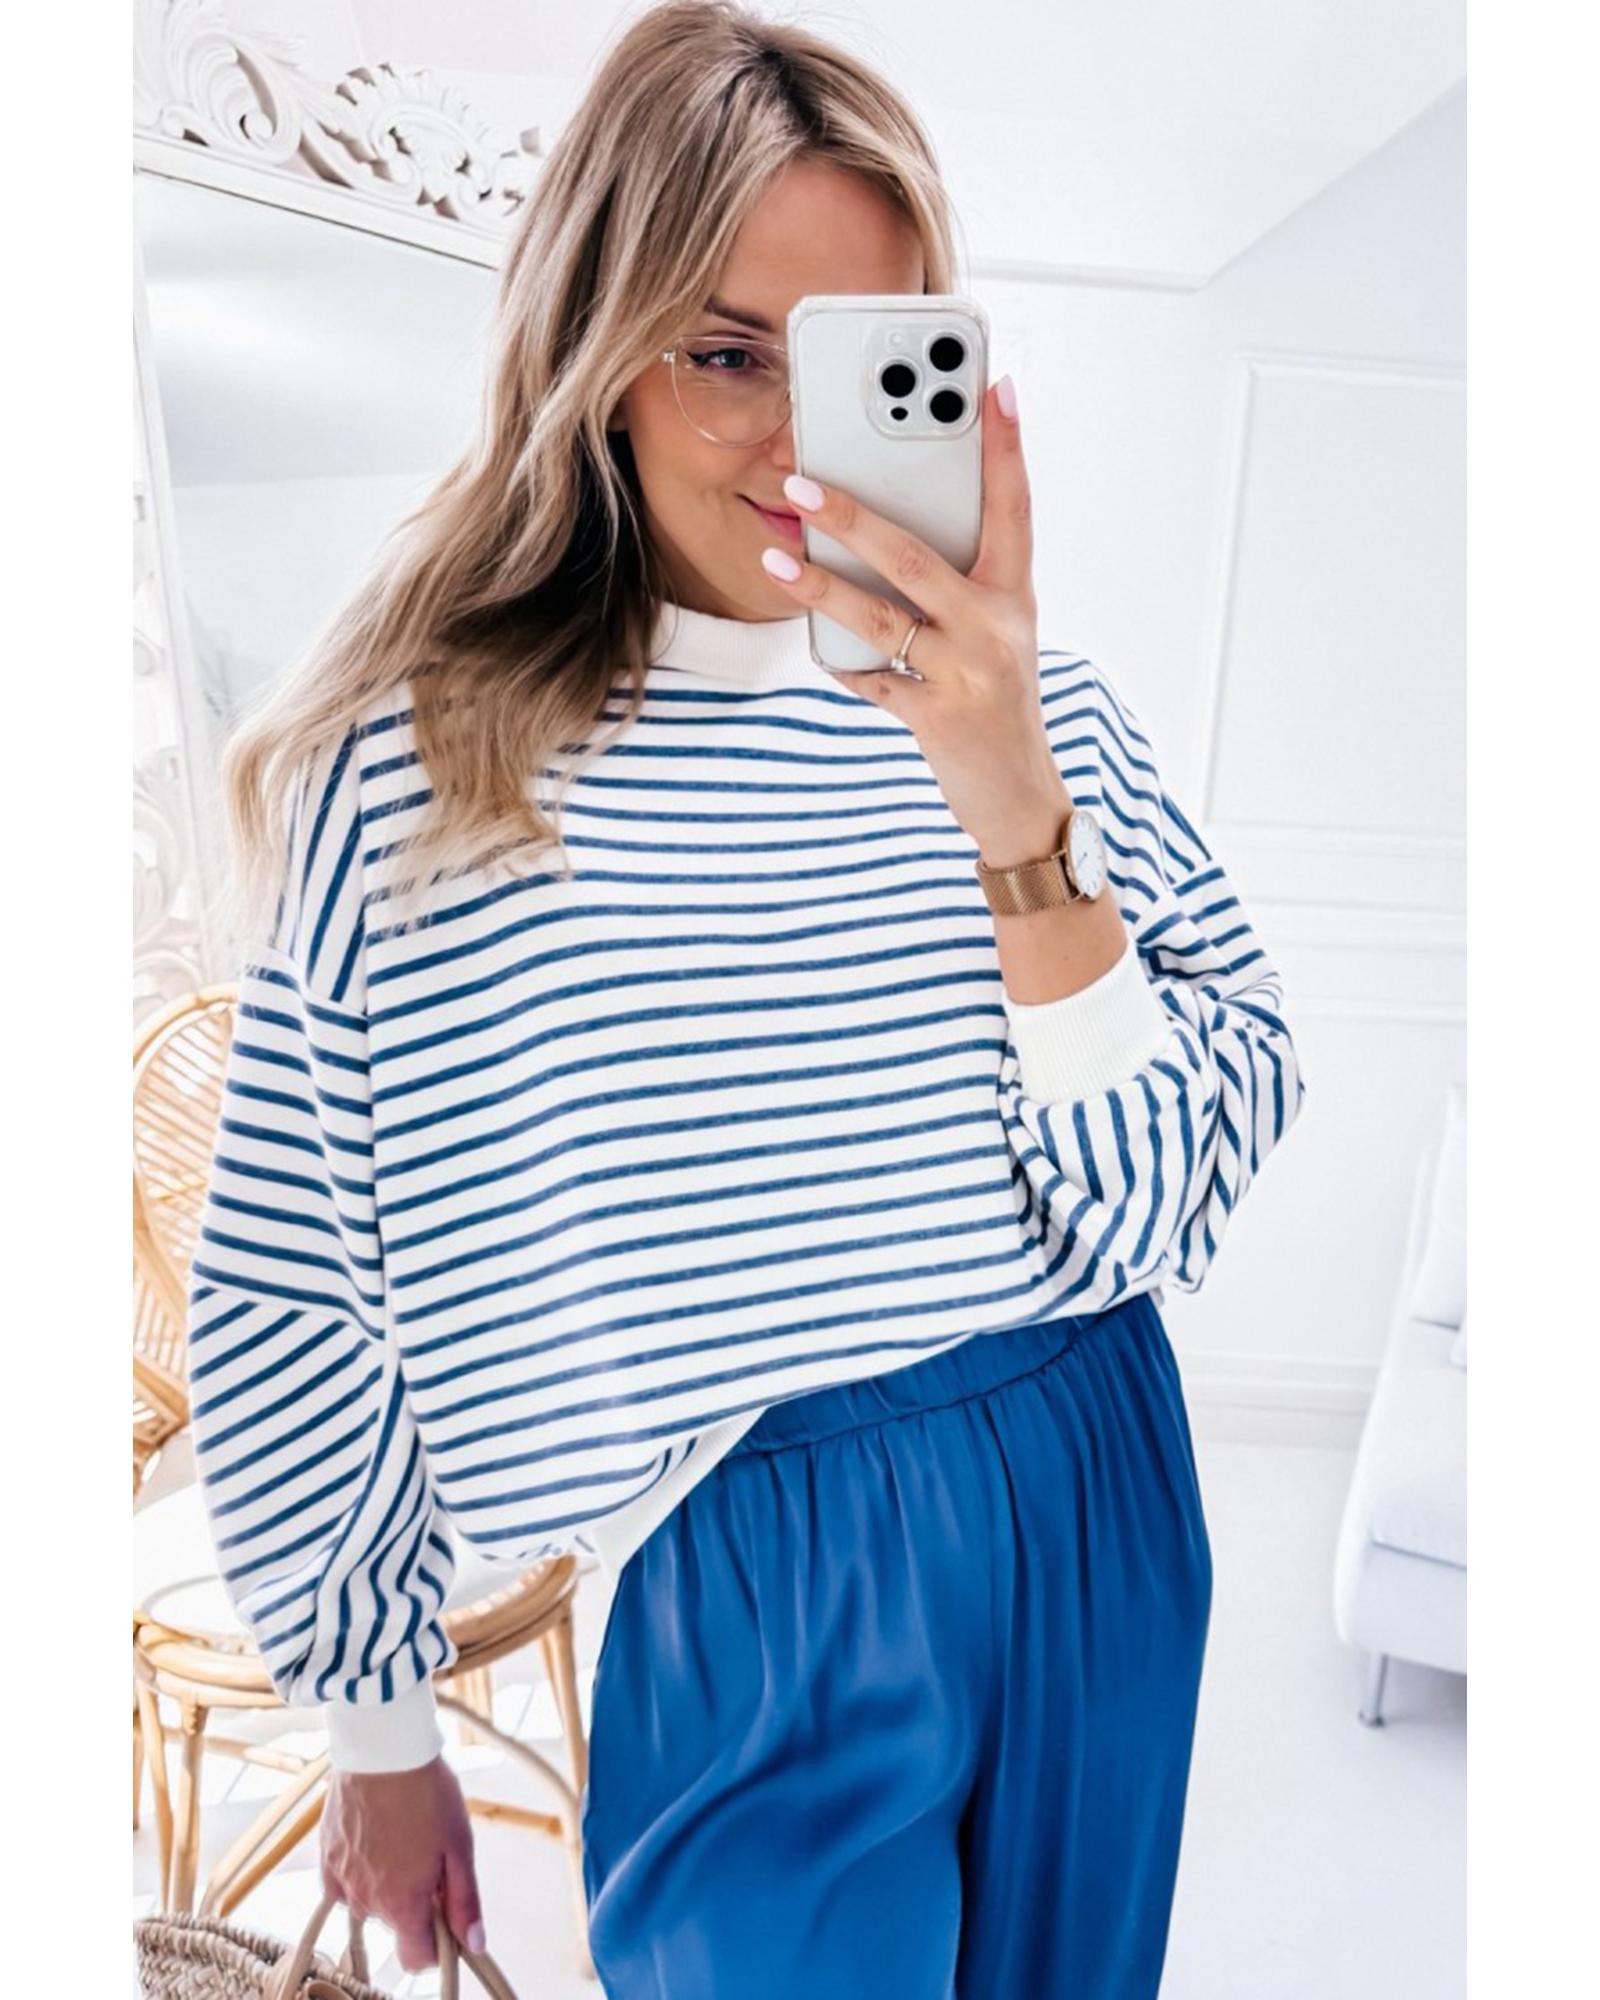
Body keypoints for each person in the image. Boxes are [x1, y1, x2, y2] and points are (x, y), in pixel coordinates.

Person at [186, 3, 1307, 1993]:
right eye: (724, 353)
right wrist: (374, 1725)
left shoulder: (1042, 723)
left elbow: (1162, 1209)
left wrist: (1006, 796)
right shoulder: (416, 779)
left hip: (1093, 1465)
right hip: (743, 1561)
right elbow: (295, 1285)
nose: (796, 440)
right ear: (596, 356)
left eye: (862, 357)